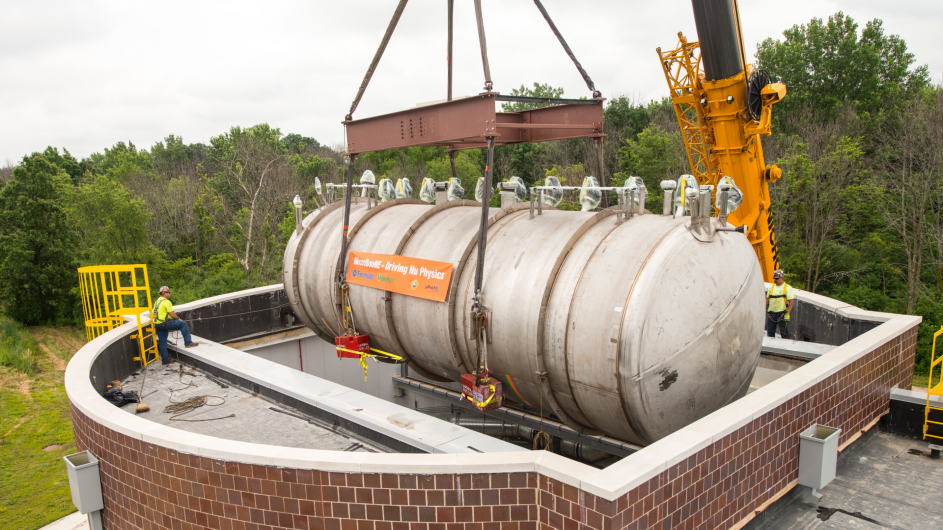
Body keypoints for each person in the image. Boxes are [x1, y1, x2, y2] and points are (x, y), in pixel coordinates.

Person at [152, 286, 199, 364]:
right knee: (183, 324)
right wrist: (179, 319)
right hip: (164, 323)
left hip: (157, 324)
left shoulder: (157, 301)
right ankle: (188, 343)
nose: (169, 294)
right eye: (169, 292)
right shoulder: (166, 302)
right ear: (165, 293)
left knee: (162, 341)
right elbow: (173, 315)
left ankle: (165, 360)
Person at [765, 270, 794, 339]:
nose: (775, 280)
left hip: (782, 313)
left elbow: (791, 302)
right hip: (771, 314)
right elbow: (767, 300)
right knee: (770, 333)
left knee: (784, 334)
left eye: (777, 279)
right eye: (774, 278)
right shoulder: (771, 288)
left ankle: (786, 347)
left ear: (782, 278)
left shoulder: (787, 288)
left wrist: (788, 313)